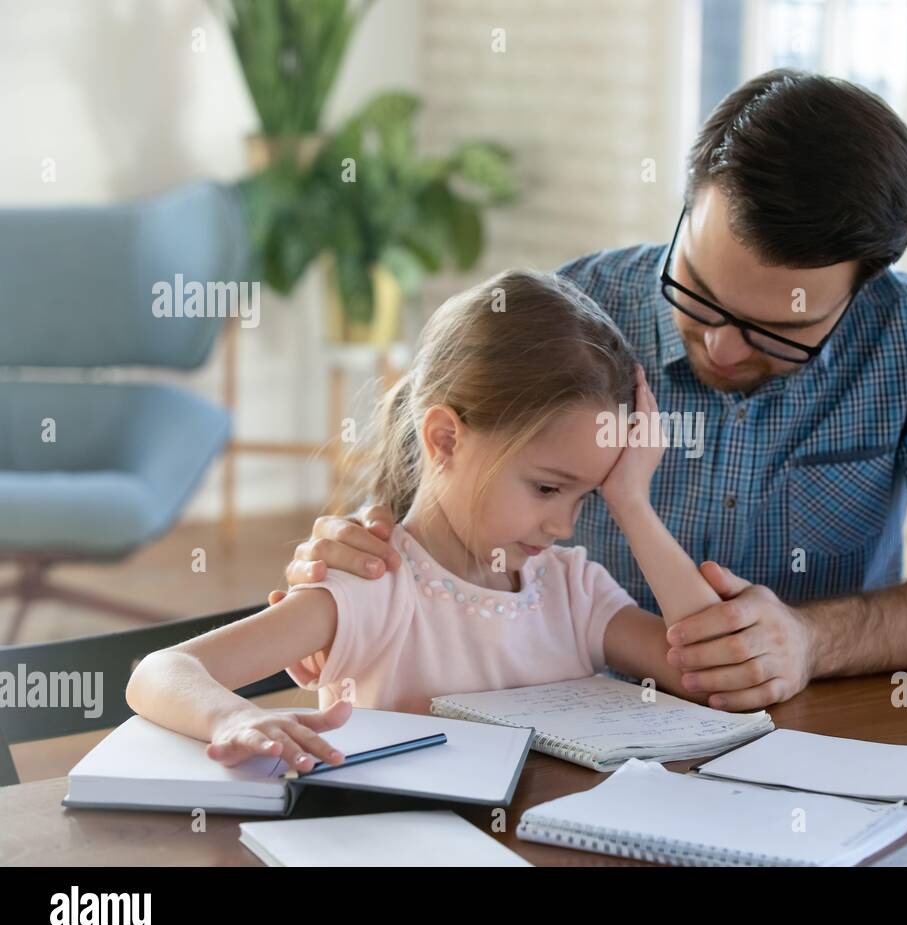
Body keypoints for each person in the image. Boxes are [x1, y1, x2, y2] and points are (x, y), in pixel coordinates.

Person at [278, 69, 907, 714]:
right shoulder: (571, 317)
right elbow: (430, 505)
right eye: (697, 291)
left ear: (864, 288)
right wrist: (347, 553)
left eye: (776, 328)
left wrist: (810, 639)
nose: (721, 347)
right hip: (568, 735)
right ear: (688, 207)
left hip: (816, 735)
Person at [126, 270, 720, 770]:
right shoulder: (373, 584)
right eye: (546, 488)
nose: (562, 525)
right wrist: (236, 713)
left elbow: (711, 674)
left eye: (587, 496)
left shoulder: (573, 590)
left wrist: (633, 505)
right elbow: (162, 671)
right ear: (444, 439)